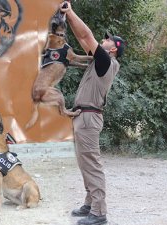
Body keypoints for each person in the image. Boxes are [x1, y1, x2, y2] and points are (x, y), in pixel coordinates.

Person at [60, 2, 126, 225]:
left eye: (107, 40)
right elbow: (82, 39)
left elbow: (86, 36)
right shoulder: (100, 61)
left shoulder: (106, 61)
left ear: (113, 48)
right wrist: (68, 19)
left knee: (92, 163)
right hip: (83, 117)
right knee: (84, 162)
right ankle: (90, 203)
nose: (103, 40)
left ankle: (99, 213)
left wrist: (69, 12)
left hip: (88, 118)